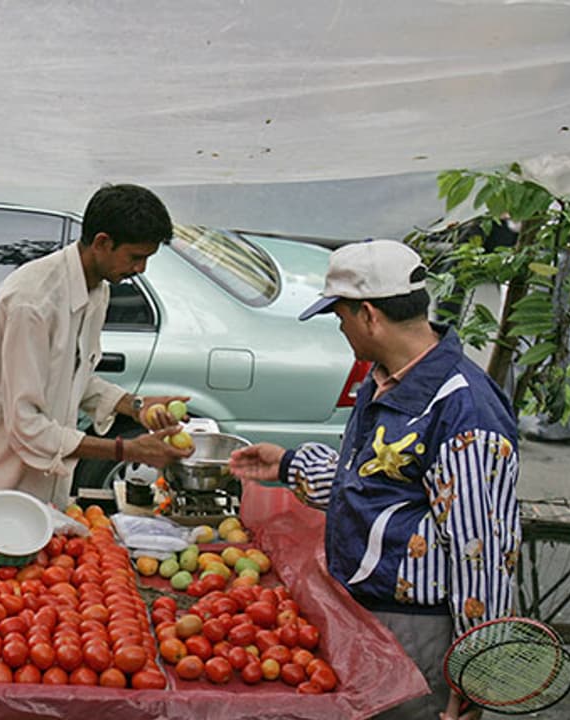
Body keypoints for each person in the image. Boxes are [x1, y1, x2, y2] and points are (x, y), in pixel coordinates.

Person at [228, 239, 520, 720]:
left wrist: (473, 679)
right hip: (364, 611)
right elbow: (369, 484)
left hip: (417, 629)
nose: (340, 329)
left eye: (339, 316)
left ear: (367, 315)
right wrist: (287, 464)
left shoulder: (465, 410)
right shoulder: (385, 380)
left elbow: (482, 554)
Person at [0, 183, 194, 509]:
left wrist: (134, 405)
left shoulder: (97, 289)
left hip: (36, 486)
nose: (140, 269)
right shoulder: (32, 302)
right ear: (102, 242)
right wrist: (126, 450)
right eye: (135, 257)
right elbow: (26, 423)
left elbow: (69, 378)